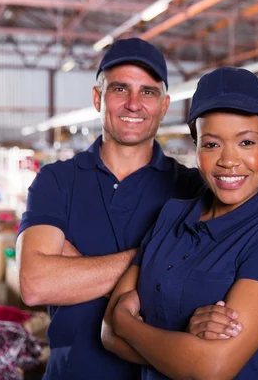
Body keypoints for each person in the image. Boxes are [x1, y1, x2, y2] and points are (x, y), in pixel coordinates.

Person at [16, 38, 209, 379]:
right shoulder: (56, 181)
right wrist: (158, 260)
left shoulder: (192, 189)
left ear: (164, 105)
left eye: (148, 92)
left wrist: (75, 269)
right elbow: (35, 283)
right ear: (98, 98)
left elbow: (203, 283)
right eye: (120, 88)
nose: (134, 104)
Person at [101, 67, 258, 379]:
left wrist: (126, 322)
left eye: (247, 143)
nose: (228, 160)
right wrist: (183, 350)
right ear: (196, 149)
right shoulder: (170, 215)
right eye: (211, 144)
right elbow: (107, 335)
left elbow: (212, 367)